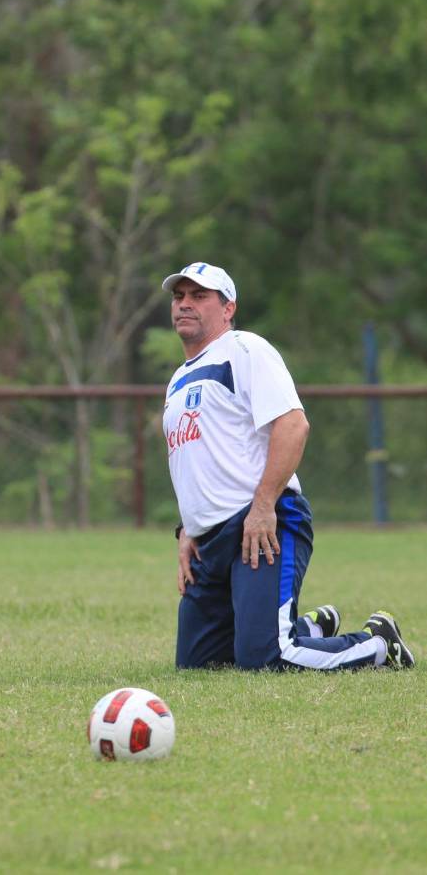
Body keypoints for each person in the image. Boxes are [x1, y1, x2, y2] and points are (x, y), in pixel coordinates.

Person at [161, 261, 415, 672]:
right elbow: (198, 458)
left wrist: (263, 507)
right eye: (179, 296)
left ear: (228, 308)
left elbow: (293, 425)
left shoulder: (244, 350)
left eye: (199, 295)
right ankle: (309, 629)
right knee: (198, 666)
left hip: (261, 523)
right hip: (209, 541)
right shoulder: (178, 380)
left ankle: (378, 645)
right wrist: (188, 528)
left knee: (264, 659)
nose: (184, 304)